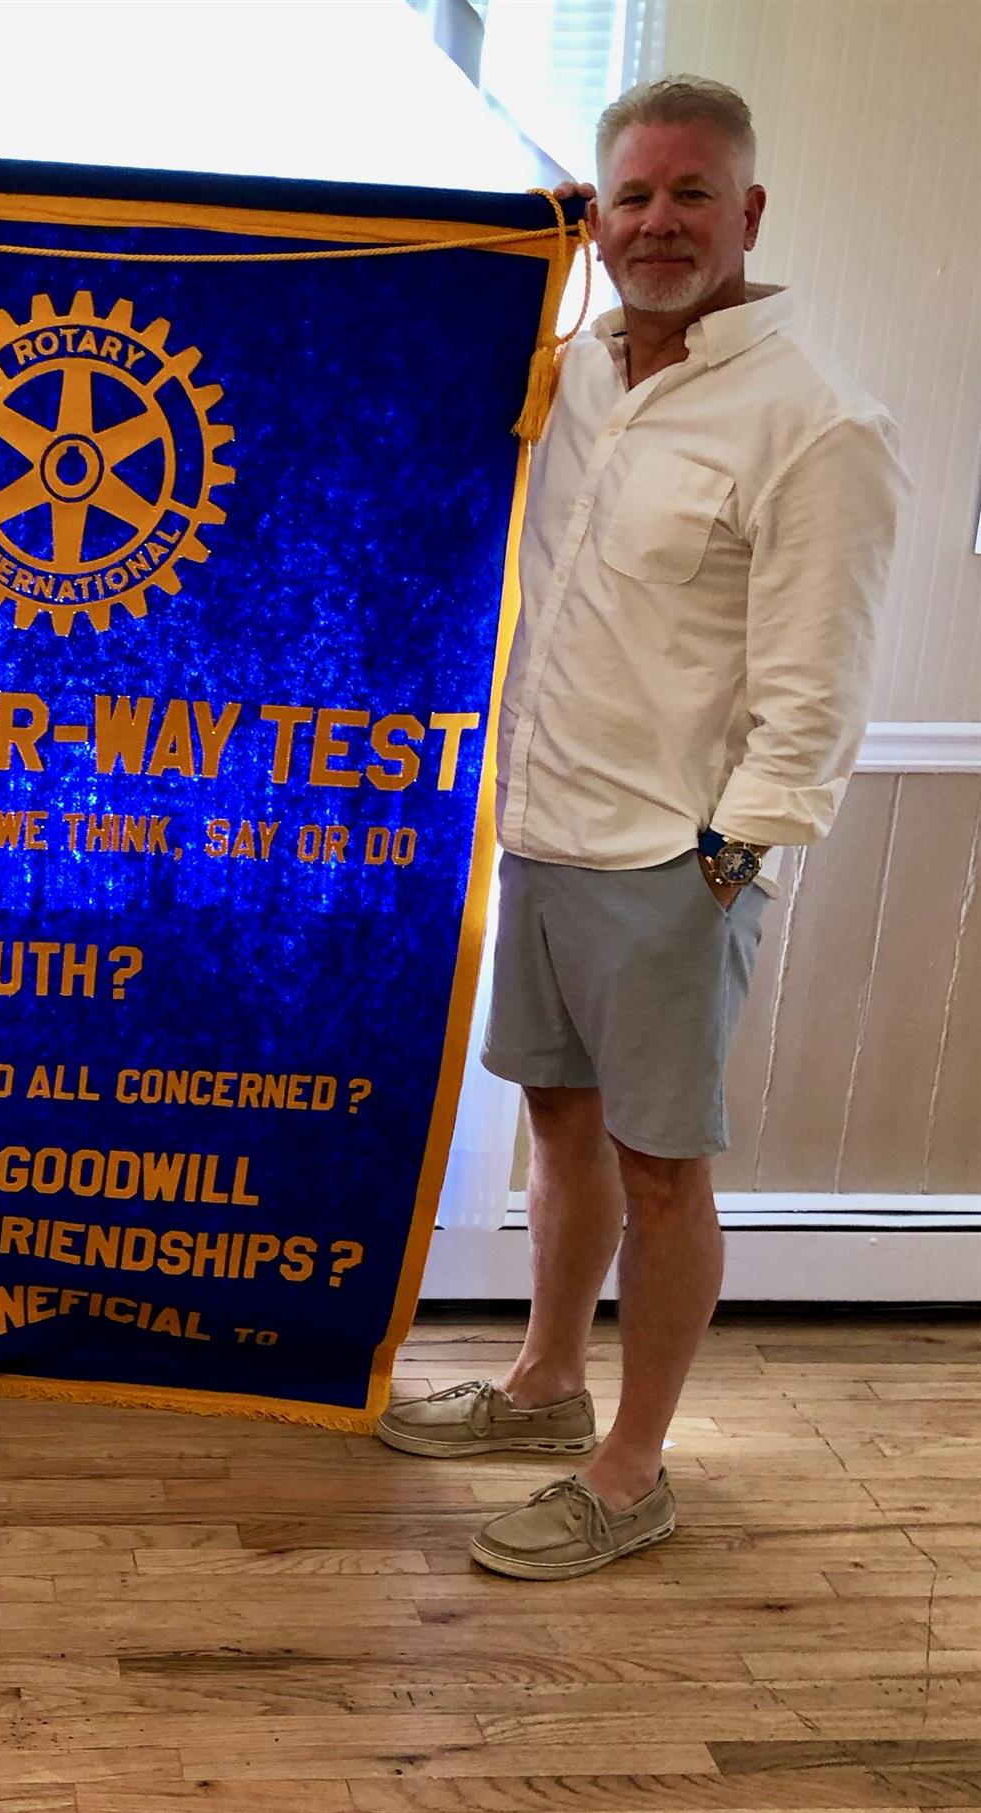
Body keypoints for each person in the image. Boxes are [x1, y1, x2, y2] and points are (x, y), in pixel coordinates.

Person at [377, 77, 905, 1578]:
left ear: (751, 213)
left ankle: (631, 1470)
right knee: (559, 1123)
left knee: (663, 1167)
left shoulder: (817, 421)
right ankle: (546, 1383)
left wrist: (726, 863)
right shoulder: (575, 377)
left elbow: (818, 692)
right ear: (596, 220)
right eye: (633, 196)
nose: (659, 222)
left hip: (676, 860)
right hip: (543, 828)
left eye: (692, 194)